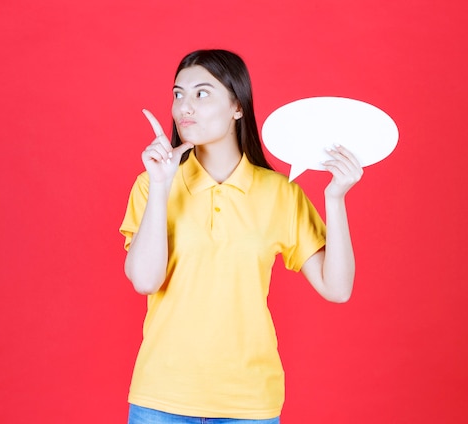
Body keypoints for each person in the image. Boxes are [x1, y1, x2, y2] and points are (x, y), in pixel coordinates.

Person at [119, 49, 363, 424]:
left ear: (237, 106)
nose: (185, 106)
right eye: (178, 94)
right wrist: (160, 185)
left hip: (249, 403)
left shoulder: (280, 192)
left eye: (202, 94)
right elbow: (145, 280)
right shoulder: (152, 185)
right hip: (162, 398)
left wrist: (335, 198)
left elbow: (338, 287)